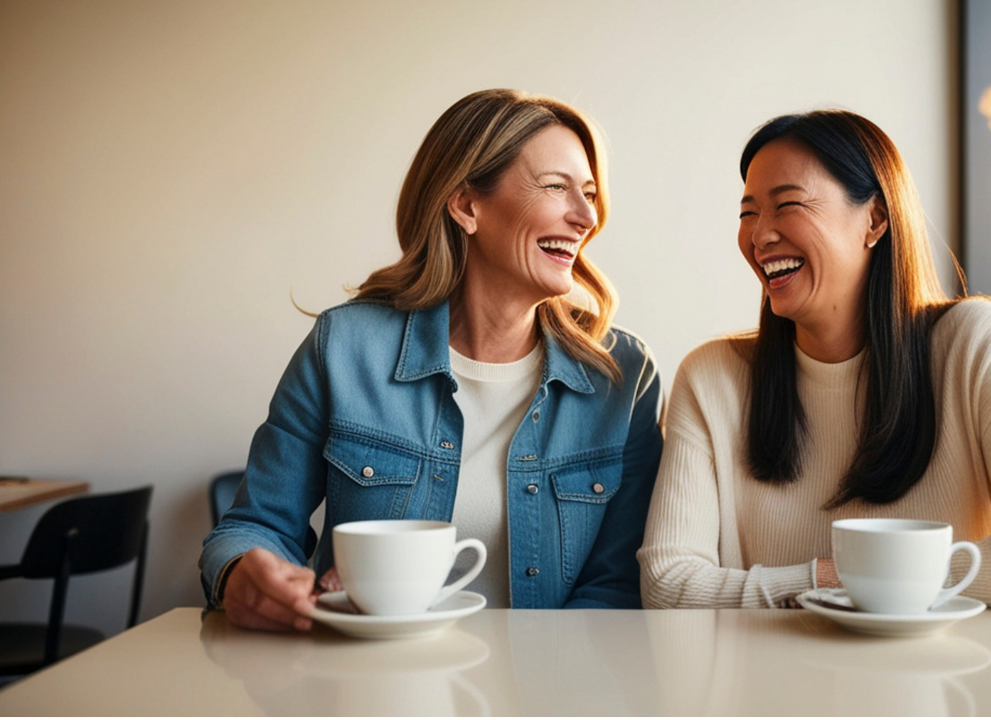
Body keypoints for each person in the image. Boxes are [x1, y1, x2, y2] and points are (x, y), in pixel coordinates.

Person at [201, 89, 663, 630]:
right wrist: (241, 573)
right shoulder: (344, 348)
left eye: (588, 193)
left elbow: (615, 586)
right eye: (557, 187)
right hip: (369, 689)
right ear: (467, 205)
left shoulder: (623, 374)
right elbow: (254, 526)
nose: (587, 216)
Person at [638, 109, 991, 610]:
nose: (759, 236)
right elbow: (669, 586)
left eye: (787, 204)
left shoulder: (974, 344)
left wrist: (858, 576)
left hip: (946, 684)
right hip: (770, 686)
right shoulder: (713, 378)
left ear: (875, 220)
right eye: (748, 212)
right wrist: (843, 577)